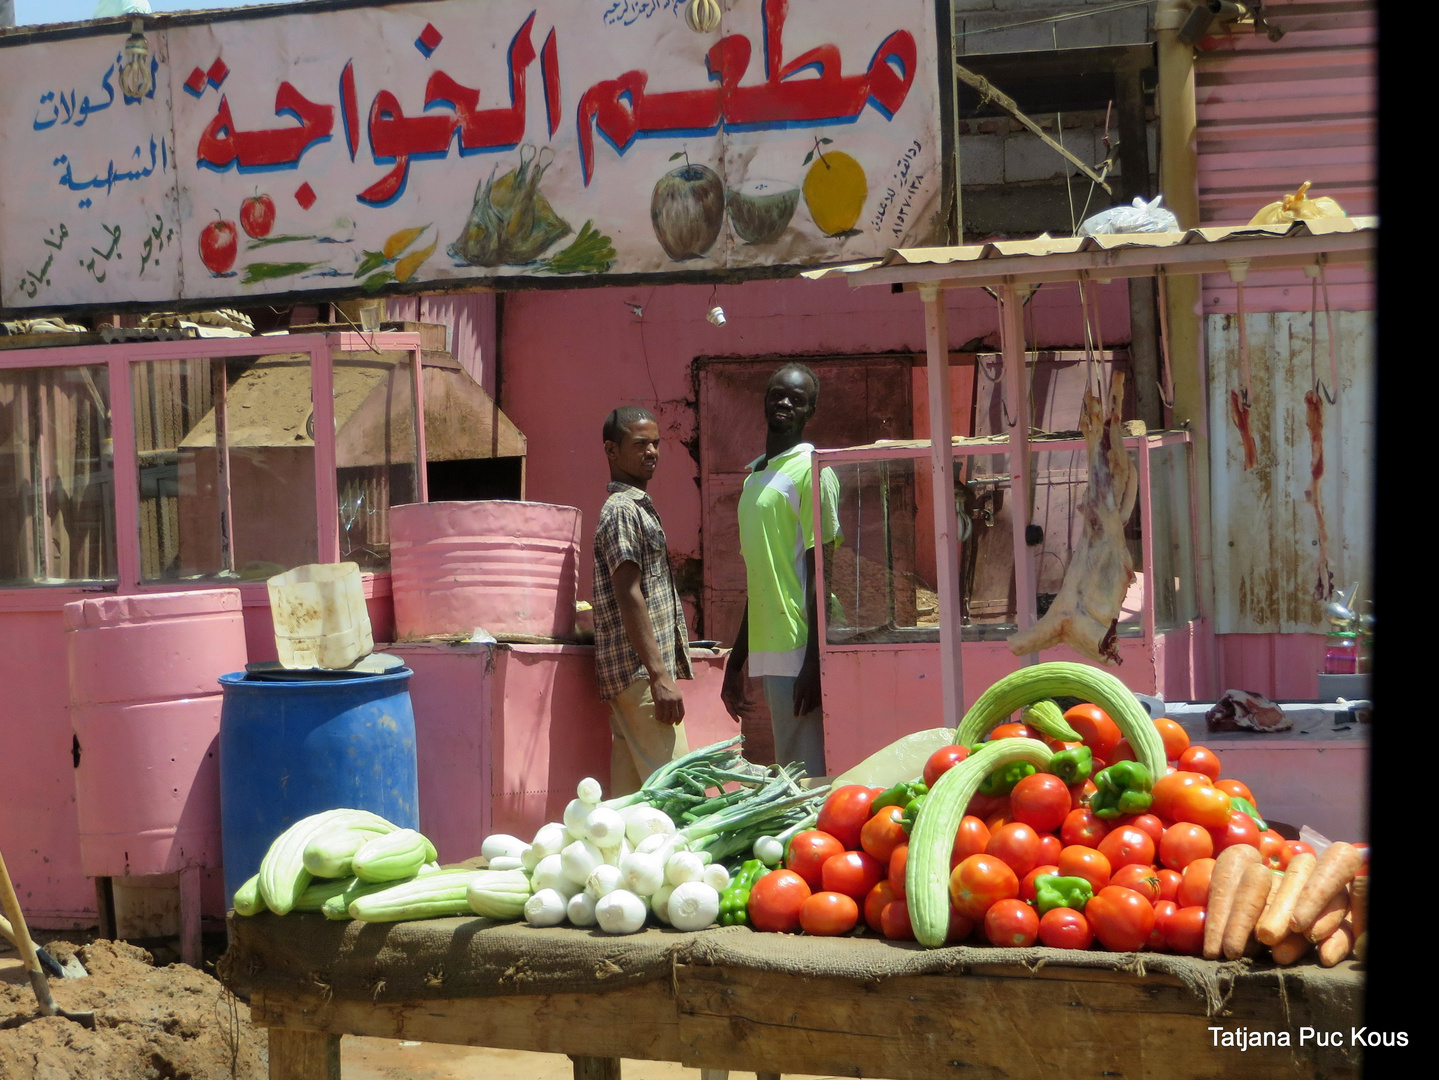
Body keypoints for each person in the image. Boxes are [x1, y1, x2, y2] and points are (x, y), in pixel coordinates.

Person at [721, 363, 841, 780]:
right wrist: (734, 663)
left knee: (808, 772)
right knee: (791, 770)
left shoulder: (812, 469)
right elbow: (762, 577)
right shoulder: (756, 477)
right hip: (771, 645)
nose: (785, 402)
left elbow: (822, 569)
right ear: (765, 400)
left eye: (797, 398)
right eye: (778, 394)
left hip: (800, 643)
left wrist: (815, 661)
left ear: (811, 410)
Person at [592, 405, 693, 796]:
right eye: (639, 444)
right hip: (640, 676)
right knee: (676, 792)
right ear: (612, 451)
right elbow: (628, 593)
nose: (651, 452)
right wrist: (658, 675)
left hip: (634, 676)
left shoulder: (635, 508)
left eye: (655, 444)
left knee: (630, 802)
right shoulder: (622, 511)